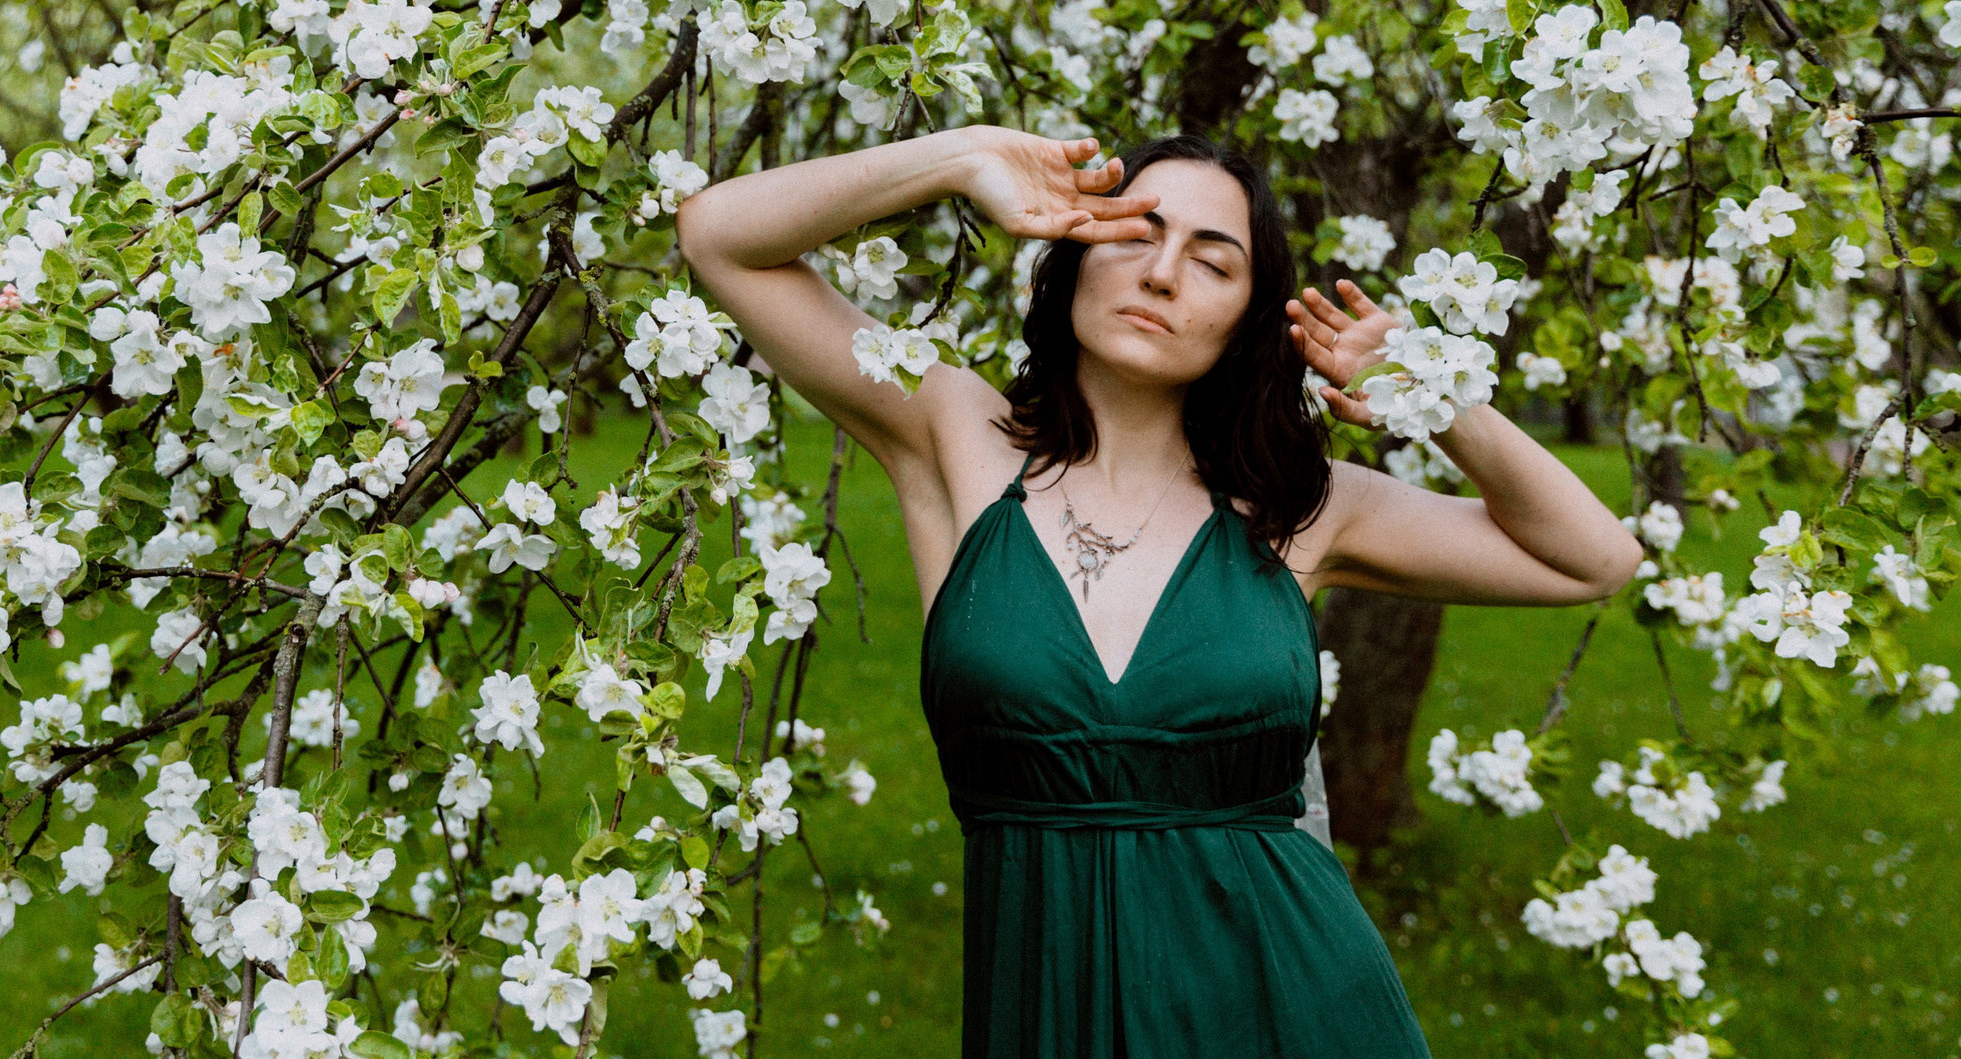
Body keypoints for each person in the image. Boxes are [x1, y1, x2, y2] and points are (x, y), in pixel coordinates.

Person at [674, 124, 1643, 1057]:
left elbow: (1589, 558)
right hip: (1047, 1008)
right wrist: (962, 158)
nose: (1163, 271)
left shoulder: (1298, 509)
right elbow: (721, 238)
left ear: (1246, 320)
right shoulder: (957, 440)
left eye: (1213, 262)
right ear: (1071, 253)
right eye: (1134, 234)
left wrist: (1431, 392)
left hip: (1293, 1009)